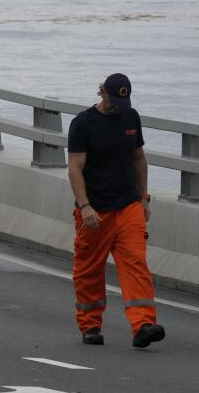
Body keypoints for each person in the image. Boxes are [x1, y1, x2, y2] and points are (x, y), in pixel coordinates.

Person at [68, 73, 165, 349]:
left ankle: (143, 325)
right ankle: (90, 325)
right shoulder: (83, 123)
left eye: (124, 101)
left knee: (136, 261)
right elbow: (75, 166)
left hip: (128, 206)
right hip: (94, 211)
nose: (118, 106)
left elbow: (139, 158)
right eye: (114, 100)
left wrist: (143, 198)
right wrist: (84, 204)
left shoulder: (130, 117)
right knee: (89, 270)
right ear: (102, 93)